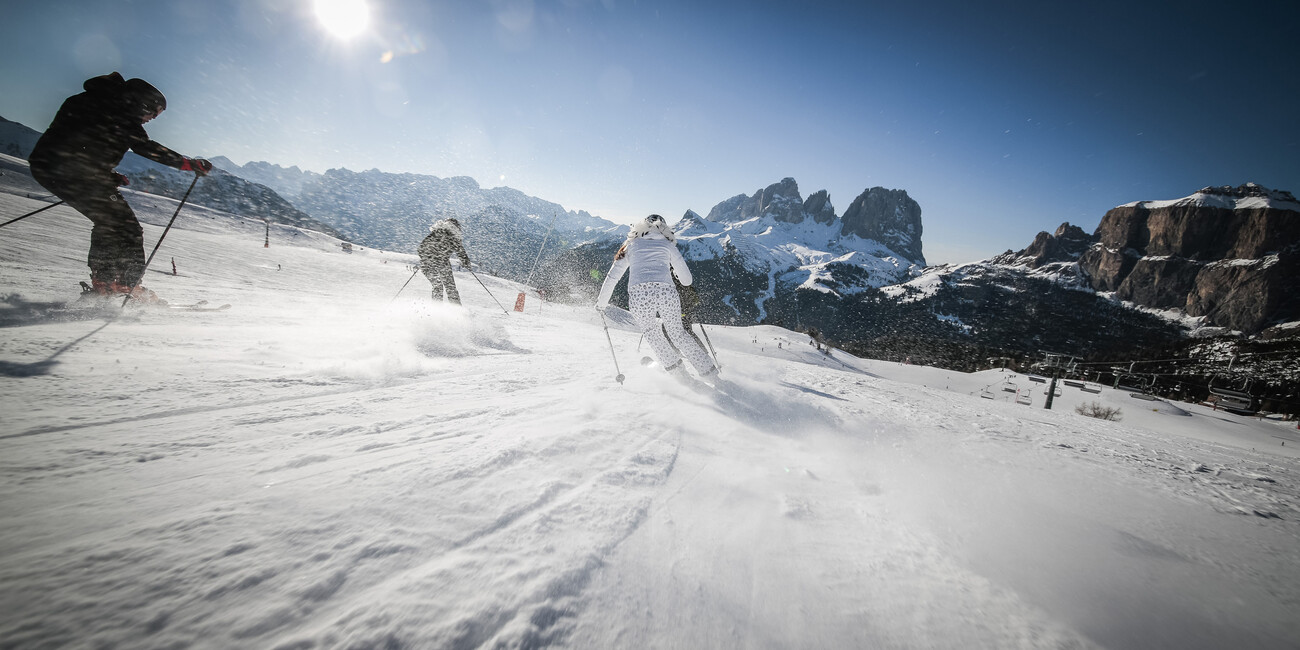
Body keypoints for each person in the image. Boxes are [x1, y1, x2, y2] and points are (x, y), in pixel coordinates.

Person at [28, 72, 212, 302]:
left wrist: (103, 173)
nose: (150, 119)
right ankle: (124, 284)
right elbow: (144, 146)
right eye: (151, 113)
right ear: (140, 103)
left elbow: (79, 142)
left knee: (109, 221)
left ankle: (106, 281)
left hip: (51, 167)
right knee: (127, 227)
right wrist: (187, 164)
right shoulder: (119, 113)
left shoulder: (95, 102)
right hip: (71, 172)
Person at [595, 214, 717, 378]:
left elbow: (613, 278)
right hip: (666, 292)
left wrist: (601, 304)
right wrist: (672, 270)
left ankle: (678, 373)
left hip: (639, 295)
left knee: (652, 333)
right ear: (664, 228)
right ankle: (709, 372)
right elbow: (687, 281)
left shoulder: (630, 245)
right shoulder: (668, 245)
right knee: (678, 333)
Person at [418, 218, 470, 304]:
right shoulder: (453, 237)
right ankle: (456, 309)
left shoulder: (436, 233)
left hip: (428, 264)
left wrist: (427, 257)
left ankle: (437, 308)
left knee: (437, 286)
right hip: (442, 264)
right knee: (450, 287)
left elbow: (421, 248)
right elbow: (461, 252)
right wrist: (465, 261)